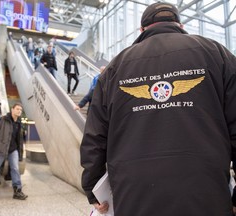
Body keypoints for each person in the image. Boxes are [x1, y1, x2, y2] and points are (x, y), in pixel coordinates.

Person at [80, 2, 236, 216]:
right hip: (206, 195)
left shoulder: (115, 68)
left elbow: (95, 136)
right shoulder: (218, 55)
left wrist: (92, 187)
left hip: (134, 197)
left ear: (142, 30)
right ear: (180, 25)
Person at [0, 103, 28, 200]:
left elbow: (19, 139)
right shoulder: (3, 120)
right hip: (1, 149)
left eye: (20, 110)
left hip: (13, 149)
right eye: (17, 109)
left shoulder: (19, 122)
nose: (19, 111)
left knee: (15, 168)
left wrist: (20, 150)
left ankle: (17, 191)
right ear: (12, 109)